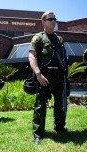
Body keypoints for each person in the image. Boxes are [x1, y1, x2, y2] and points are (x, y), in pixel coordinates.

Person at [29, 12, 68, 144]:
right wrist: (38, 74)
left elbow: (63, 59)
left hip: (58, 78)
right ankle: (38, 134)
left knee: (59, 105)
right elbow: (32, 57)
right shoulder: (38, 38)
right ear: (43, 22)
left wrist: (65, 76)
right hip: (44, 78)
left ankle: (60, 127)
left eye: (54, 19)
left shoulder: (60, 39)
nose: (53, 21)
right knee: (40, 106)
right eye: (50, 19)